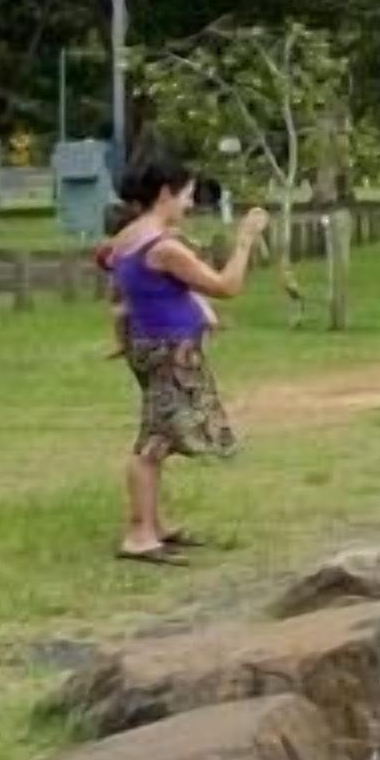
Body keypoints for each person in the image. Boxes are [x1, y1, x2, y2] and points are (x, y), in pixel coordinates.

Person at [101, 157, 270, 565]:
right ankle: (139, 535)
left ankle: (154, 525)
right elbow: (227, 286)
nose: (190, 204)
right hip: (168, 350)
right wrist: (245, 238)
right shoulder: (164, 247)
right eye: (187, 195)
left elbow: (119, 286)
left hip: (150, 345)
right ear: (165, 193)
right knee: (153, 442)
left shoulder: (128, 237)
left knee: (161, 433)